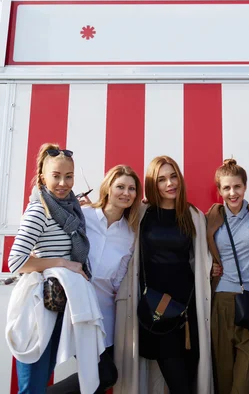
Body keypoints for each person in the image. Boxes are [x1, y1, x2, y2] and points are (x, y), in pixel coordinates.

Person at [113, 155, 213, 394]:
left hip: (188, 311)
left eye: (173, 176)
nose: (170, 183)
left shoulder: (193, 215)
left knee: (188, 380)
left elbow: (200, 258)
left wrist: (214, 266)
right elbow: (111, 221)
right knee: (178, 384)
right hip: (155, 309)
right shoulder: (141, 212)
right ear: (152, 184)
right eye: (162, 179)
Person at [47, 164, 142, 394]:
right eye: (120, 186)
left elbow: (119, 278)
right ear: (108, 188)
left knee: (99, 382)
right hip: (74, 309)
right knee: (103, 375)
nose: (126, 193)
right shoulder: (83, 216)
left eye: (131, 189)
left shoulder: (130, 233)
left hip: (105, 315)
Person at [8, 143, 92, 394]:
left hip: (60, 304)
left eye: (69, 176)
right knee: (33, 385)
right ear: (43, 176)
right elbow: (16, 261)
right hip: (38, 307)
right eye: (56, 176)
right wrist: (63, 263)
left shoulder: (70, 209)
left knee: (46, 382)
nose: (63, 183)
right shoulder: (39, 210)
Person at [206, 158, 249, 394]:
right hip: (223, 301)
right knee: (223, 381)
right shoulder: (211, 217)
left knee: (243, 385)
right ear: (219, 191)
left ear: (245, 186)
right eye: (226, 188)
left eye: (237, 186)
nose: (232, 193)